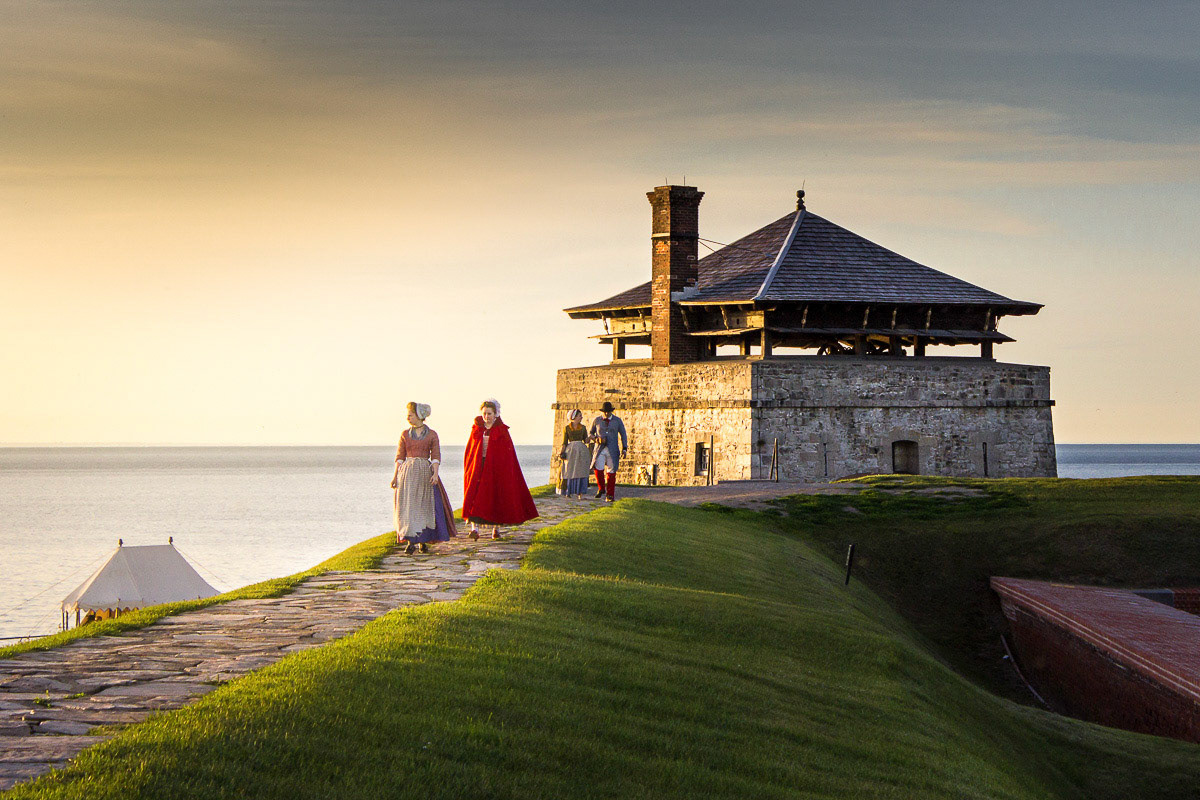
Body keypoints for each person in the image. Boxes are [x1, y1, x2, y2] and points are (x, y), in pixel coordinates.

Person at [462, 398, 539, 539]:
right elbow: (470, 451)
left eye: (489, 413)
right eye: (484, 413)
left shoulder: (502, 431)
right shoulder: (477, 428)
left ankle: (496, 529)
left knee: (496, 497)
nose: (486, 417)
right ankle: (475, 529)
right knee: (475, 495)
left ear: (495, 414)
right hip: (478, 468)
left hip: (496, 469)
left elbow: (507, 454)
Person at [390, 402, 456, 555]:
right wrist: (395, 476)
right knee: (409, 507)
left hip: (424, 473)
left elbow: (436, 456)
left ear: (419, 415)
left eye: (410, 415)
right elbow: (400, 457)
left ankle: (423, 541)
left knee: (425, 506)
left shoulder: (432, 434)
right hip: (408, 474)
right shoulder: (405, 434)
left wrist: (435, 474)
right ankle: (410, 541)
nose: (408, 418)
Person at [589, 401, 628, 502]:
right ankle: (601, 488)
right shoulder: (597, 420)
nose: (606, 414)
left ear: (611, 411)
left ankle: (610, 495)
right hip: (599, 449)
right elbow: (590, 433)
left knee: (611, 471)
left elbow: (623, 434)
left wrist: (624, 448)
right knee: (598, 468)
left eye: (608, 412)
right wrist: (596, 439)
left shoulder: (617, 421)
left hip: (612, 449)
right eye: (605, 412)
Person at [559, 409, 591, 498]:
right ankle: (568, 491)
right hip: (571, 451)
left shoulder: (583, 427)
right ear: (574, 417)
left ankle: (580, 492)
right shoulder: (567, 428)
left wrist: (591, 437)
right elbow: (564, 442)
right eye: (579, 416)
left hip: (581, 450)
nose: (581, 417)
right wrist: (562, 452)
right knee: (570, 470)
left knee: (580, 470)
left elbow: (585, 440)